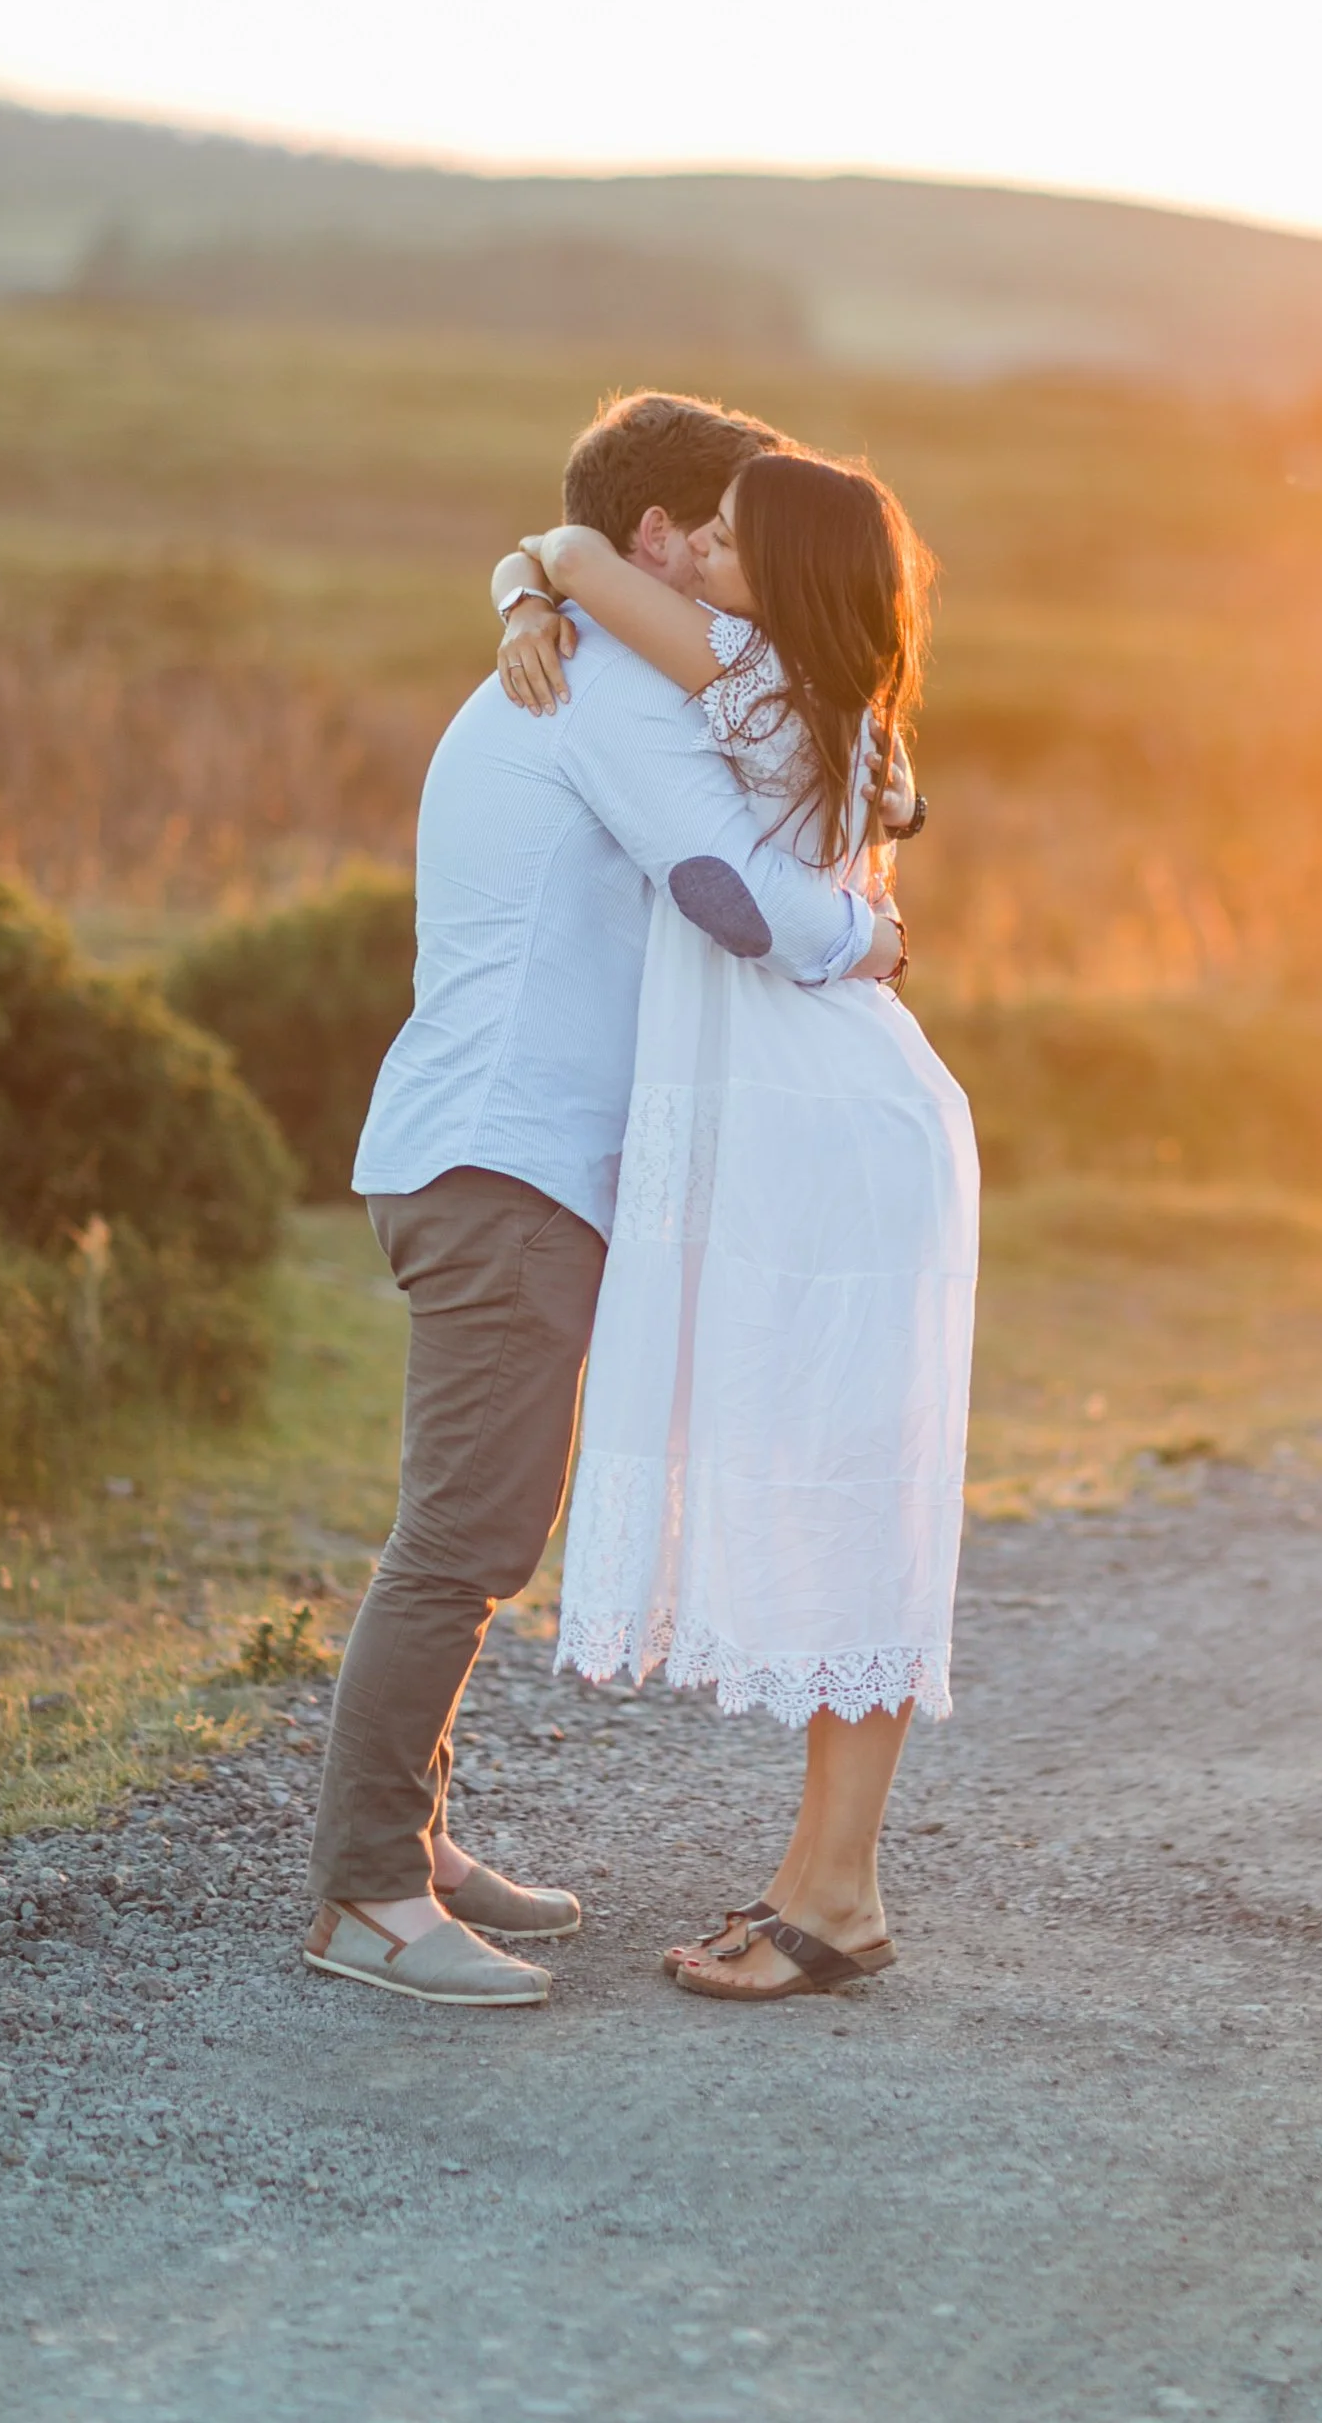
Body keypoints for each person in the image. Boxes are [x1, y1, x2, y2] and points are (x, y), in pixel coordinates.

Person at [303, 394, 908, 2009]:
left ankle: (410, 1841)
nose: (729, 555)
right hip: (503, 1159)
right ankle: (365, 1891)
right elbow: (723, 896)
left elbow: (835, 770)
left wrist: (529, 569)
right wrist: (866, 940)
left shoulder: (591, 648)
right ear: (659, 543)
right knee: (465, 1535)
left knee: (488, 1526)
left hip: (515, 1159)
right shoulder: (611, 683)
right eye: (718, 527)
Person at [492, 446, 978, 2003]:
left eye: (727, 533)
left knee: (846, 1485)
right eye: (696, 527)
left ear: (786, 579)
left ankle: (835, 1897)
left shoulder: (758, 678)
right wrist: (525, 580)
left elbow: (577, 549)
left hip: (826, 1135)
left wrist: (540, 566)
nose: (694, 545)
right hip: (841, 1118)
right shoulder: (834, 701)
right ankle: (830, 1884)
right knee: (853, 1482)